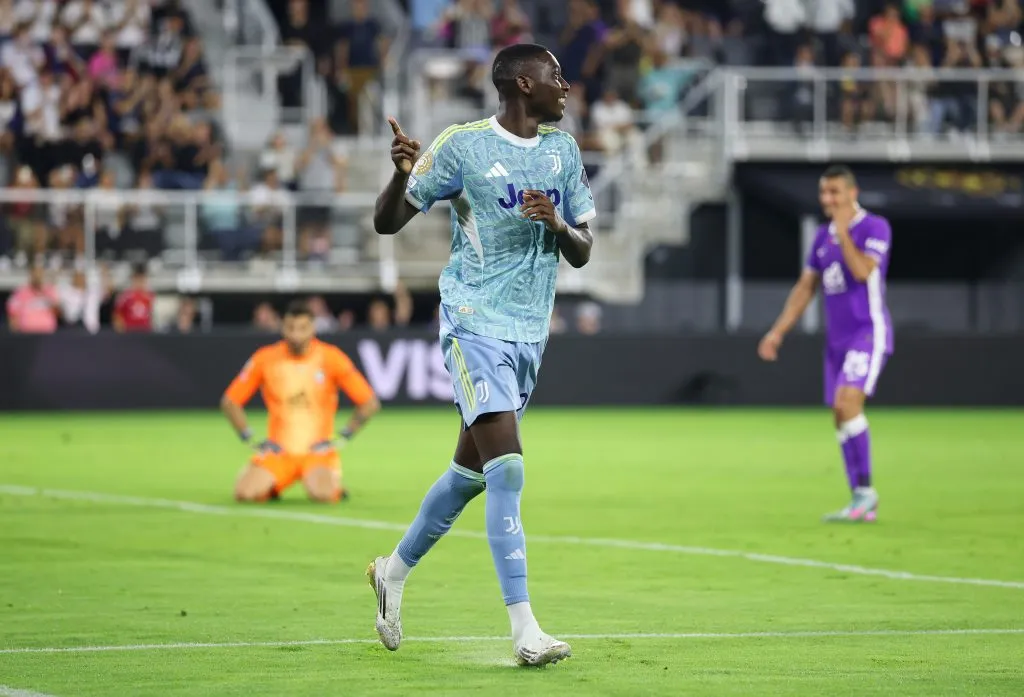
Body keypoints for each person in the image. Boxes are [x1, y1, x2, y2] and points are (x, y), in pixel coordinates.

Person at [369, 43, 595, 666]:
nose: (566, 86)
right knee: (511, 468)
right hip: (473, 321)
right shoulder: (463, 145)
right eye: (556, 76)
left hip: (528, 330)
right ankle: (524, 629)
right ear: (524, 83)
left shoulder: (563, 151)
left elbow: (582, 250)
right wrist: (399, 173)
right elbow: (388, 223)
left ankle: (392, 570)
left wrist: (558, 226)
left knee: (470, 474)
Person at [758, 165, 893, 523]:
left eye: (834, 192)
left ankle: (866, 495)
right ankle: (860, 500)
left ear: (853, 192)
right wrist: (778, 331)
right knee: (839, 414)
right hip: (837, 340)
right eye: (824, 193)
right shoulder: (821, 237)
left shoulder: (874, 227)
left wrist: (845, 233)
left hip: (868, 331)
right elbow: (805, 288)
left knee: (848, 404)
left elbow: (864, 271)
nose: (828, 200)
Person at [221, 299, 380, 504]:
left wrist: (342, 437)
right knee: (244, 494)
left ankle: (332, 484)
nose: (296, 335)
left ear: (313, 328)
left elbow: (369, 402)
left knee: (323, 496)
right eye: (290, 328)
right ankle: (272, 485)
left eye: (302, 328)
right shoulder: (265, 359)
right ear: (282, 327)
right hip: (279, 453)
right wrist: (250, 438)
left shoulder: (331, 358)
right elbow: (230, 402)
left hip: (317, 453)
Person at [112, 262, 154, 332]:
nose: (140, 282)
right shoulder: (126, 296)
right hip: (130, 332)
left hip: (145, 332)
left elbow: (149, 315)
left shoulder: (149, 296)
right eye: (138, 279)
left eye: (142, 279)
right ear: (134, 279)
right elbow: (117, 314)